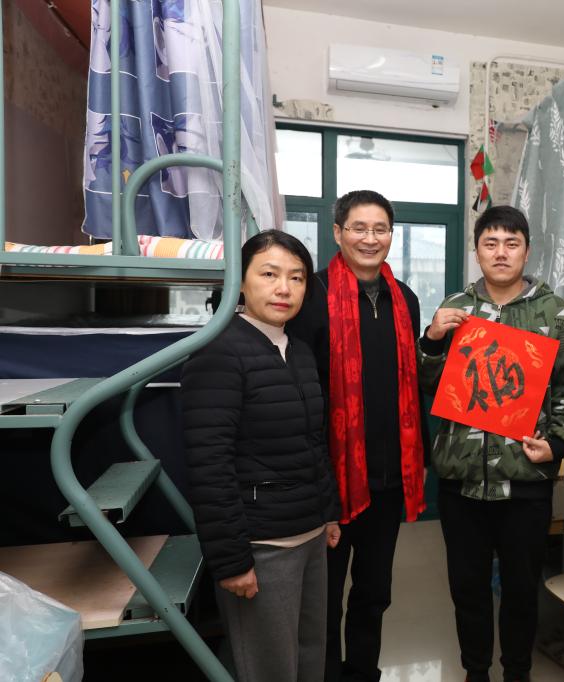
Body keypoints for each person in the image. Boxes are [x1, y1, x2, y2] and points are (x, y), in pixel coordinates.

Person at [419, 205, 564, 682]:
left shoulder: (554, 312)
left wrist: (557, 446)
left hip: (525, 481)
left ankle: (517, 672)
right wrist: (431, 339)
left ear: (526, 251)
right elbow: (427, 385)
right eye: (490, 243)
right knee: (467, 590)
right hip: (461, 480)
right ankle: (475, 672)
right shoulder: (456, 307)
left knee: (519, 591)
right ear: (477, 251)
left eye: (511, 243)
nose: (500, 253)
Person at [181, 230, 341, 682]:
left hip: (310, 533)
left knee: (310, 658)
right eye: (269, 274)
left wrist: (328, 511)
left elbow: (314, 441)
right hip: (264, 545)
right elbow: (209, 466)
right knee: (270, 669)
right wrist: (232, 560)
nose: (283, 288)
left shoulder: (300, 351)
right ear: (240, 281)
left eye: (296, 277)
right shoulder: (217, 352)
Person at [287, 190, 429, 682]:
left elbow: (410, 383)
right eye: (359, 228)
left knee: (374, 592)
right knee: (323, 599)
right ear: (338, 233)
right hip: (330, 478)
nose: (370, 239)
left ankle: (363, 672)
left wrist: (416, 462)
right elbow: (300, 391)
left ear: (391, 234)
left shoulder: (404, 298)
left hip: (387, 479)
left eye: (380, 229)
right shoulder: (313, 295)